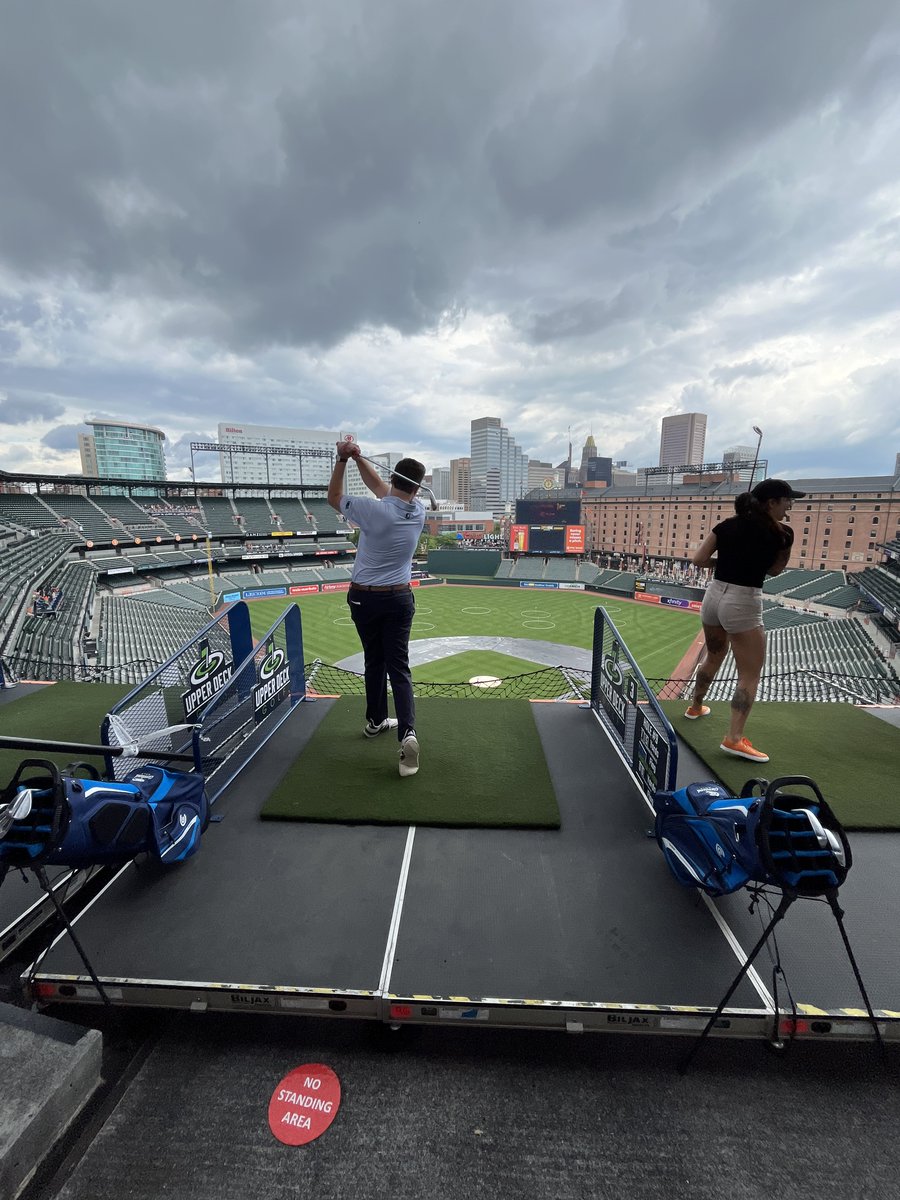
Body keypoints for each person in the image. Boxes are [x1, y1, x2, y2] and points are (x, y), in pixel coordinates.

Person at [685, 478, 806, 763]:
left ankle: (695, 707)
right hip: (743, 601)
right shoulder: (783, 533)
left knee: (713, 656)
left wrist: (724, 562)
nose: (790, 506)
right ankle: (734, 739)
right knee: (749, 674)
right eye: (787, 500)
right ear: (771, 503)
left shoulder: (727, 525)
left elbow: (699, 559)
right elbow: (775, 570)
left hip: (714, 596)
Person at [327, 440, 426, 777]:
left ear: (395, 479)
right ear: (417, 486)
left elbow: (334, 498)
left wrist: (342, 459)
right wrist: (358, 458)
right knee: (399, 668)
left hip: (364, 598)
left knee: (374, 660)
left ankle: (375, 720)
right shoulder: (417, 510)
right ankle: (407, 732)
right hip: (399, 598)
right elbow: (383, 487)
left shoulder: (374, 510)